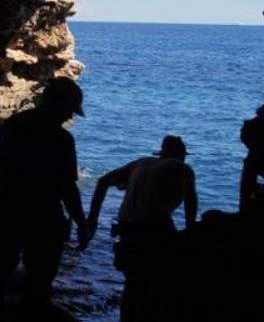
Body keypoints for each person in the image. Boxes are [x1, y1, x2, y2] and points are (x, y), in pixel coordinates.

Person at [0, 77, 90, 313]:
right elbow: (67, 187)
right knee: (39, 280)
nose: (68, 117)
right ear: (58, 105)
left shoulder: (13, 125)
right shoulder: (62, 139)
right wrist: (81, 222)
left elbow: (1, 169)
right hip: (44, 214)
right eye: (68, 110)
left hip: (8, 207)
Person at [84, 135, 198, 322]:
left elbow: (102, 181)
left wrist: (92, 220)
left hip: (127, 232)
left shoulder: (141, 163)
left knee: (134, 283)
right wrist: (191, 231)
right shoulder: (183, 169)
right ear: (182, 155)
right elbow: (190, 201)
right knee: (159, 287)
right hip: (155, 232)